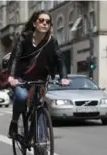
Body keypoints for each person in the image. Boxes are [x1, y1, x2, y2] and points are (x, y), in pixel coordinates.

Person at [6, 10, 70, 138]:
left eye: (48, 22)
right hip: (22, 79)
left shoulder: (52, 41)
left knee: (39, 105)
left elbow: (60, 60)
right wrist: (12, 76)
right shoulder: (24, 38)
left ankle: (36, 138)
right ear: (35, 24)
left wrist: (63, 77)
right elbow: (16, 58)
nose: (45, 24)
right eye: (41, 21)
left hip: (40, 79)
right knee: (22, 97)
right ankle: (14, 122)